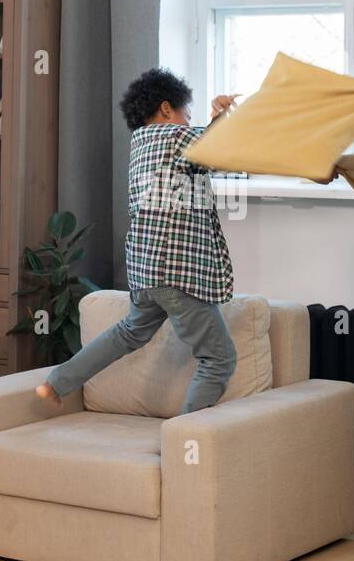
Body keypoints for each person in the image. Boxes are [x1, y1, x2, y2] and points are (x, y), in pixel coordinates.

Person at [36, 68, 241, 415]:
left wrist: (216, 123)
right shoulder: (174, 138)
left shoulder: (141, 144)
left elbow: (206, 155)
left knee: (129, 332)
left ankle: (57, 382)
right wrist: (221, 117)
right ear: (165, 109)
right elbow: (214, 147)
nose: (188, 122)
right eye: (185, 114)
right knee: (219, 359)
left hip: (146, 271)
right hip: (177, 273)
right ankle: (185, 443)